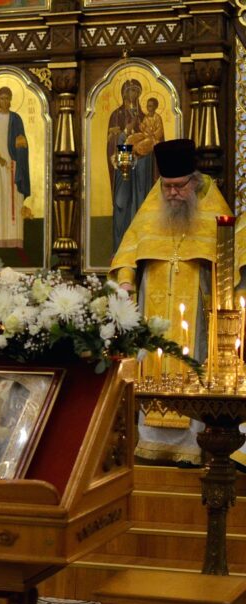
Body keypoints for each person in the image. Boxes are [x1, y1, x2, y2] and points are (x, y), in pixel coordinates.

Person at [109, 138, 232, 465]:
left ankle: (191, 449)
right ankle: (151, 447)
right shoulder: (152, 207)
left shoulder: (214, 207)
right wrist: (124, 281)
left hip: (194, 312)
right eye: (167, 187)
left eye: (179, 187)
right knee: (152, 366)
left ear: (194, 182)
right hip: (153, 310)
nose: (173, 193)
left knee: (191, 368)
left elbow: (230, 258)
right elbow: (128, 251)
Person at [107, 79, 156, 254]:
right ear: (123, 93)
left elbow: (154, 139)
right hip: (122, 167)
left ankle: (141, 248)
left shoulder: (144, 116)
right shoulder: (116, 115)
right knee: (122, 203)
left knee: (140, 203)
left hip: (141, 167)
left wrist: (144, 143)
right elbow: (112, 142)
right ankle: (120, 250)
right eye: (129, 91)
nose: (132, 95)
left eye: (136, 91)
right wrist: (126, 132)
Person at [0, 86, 30, 249]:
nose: (5, 101)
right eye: (2, 98)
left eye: (7, 98)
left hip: (14, 165)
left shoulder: (16, 119)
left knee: (14, 200)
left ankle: (15, 239)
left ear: (10, 100)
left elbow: (22, 142)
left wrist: (19, 151)